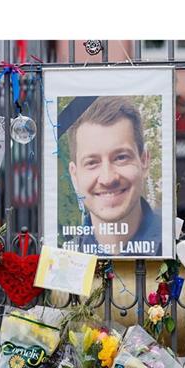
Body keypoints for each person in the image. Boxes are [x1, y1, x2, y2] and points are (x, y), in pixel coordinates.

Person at [63, 96, 162, 256]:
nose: (108, 178)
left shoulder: (179, 252)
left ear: (144, 162)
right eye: (92, 162)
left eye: (121, 157)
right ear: (74, 175)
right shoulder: (64, 259)